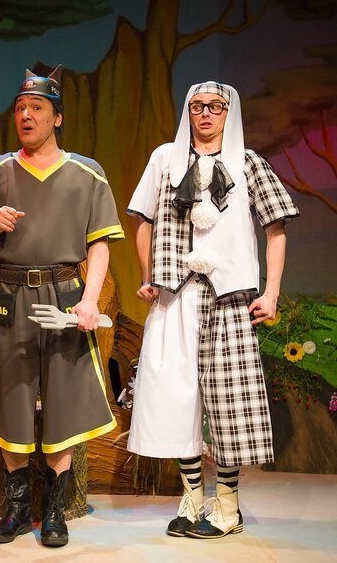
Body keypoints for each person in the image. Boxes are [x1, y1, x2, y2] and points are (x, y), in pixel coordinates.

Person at [0, 66, 124, 547]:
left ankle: (54, 512)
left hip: (64, 295)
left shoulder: (86, 173)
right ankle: (15, 511)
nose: (26, 116)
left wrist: (89, 300)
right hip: (10, 296)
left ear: (58, 118)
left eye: (37, 108)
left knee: (63, 400)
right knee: (11, 398)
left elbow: (99, 245)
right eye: (20, 108)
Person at [126, 81, 299, 539]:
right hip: (176, 294)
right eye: (197, 105)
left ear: (228, 112)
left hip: (230, 297)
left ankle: (227, 506)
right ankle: (191, 498)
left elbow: (276, 229)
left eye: (215, 106)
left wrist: (271, 292)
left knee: (229, 401)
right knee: (175, 398)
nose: (205, 113)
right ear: (188, 111)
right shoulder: (166, 158)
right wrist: (149, 274)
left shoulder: (248, 163)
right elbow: (141, 219)